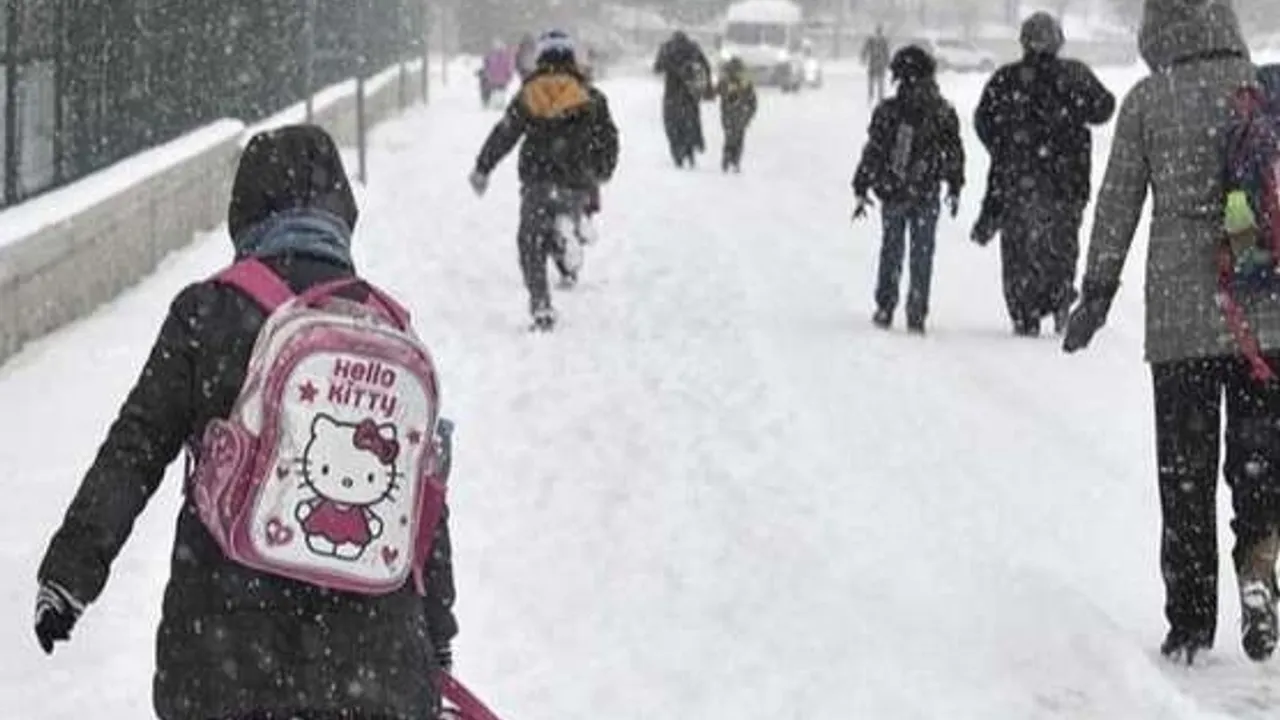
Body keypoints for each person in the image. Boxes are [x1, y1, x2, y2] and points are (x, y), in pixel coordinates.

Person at [32, 125, 460, 718]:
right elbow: (423, 500)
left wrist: (70, 573)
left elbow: (135, 448)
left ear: (245, 211)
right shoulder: (386, 329)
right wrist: (436, 631)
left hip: (225, 650)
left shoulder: (208, 312)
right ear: (342, 213)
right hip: (373, 660)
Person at [1063, 0, 1280, 665]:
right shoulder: (1262, 88)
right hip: (1263, 314)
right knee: (1260, 460)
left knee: (1186, 475)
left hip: (1182, 321)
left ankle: (1189, 625)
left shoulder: (1150, 100)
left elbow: (1118, 202)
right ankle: (1259, 562)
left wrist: (1097, 291)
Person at [973, 12, 1115, 337]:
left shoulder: (1006, 79)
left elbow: (984, 121)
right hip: (1067, 180)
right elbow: (1104, 108)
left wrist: (1005, 146)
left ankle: (1024, 311)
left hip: (1017, 179)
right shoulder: (1074, 75)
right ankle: (1059, 295)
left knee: (1018, 249)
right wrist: (1072, 111)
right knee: (1061, 244)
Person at [469, 30, 620, 332]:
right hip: (576, 181)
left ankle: (541, 304)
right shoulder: (591, 97)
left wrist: (483, 168)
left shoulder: (530, 93)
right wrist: (601, 171)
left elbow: (505, 133)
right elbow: (608, 139)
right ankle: (570, 235)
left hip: (538, 180)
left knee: (531, 241)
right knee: (563, 218)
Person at [852, 45, 964, 335]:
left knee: (892, 248)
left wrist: (862, 184)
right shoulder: (942, 111)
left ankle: (885, 305)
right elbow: (954, 152)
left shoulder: (889, 111)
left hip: (894, 190)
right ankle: (916, 310)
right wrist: (954, 184)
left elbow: (874, 150)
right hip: (926, 191)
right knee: (922, 253)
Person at [654, 31, 713, 168]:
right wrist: (706, 85)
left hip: (672, 92)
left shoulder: (667, 48)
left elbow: (657, 68)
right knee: (690, 121)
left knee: (672, 124)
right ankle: (690, 149)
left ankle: (678, 153)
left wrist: (670, 66)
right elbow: (706, 67)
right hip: (689, 92)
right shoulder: (693, 48)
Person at [716, 56, 758, 173]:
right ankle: (734, 160)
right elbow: (752, 100)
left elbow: (719, 92)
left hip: (730, 114)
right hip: (740, 114)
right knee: (737, 137)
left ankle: (729, 158)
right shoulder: (744, 82)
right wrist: (749, 114)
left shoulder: (727, 80)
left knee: (730, 137)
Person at [478, 38, 516, 108]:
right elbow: (510, 66)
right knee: (499, 91)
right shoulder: (506, 55)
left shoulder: (492, 55)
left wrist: (487, 74)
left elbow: (486, 65)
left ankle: (497, 103)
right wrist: (509, 74)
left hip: (495, 78)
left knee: (497, 91)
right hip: (500, 78)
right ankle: (499, 103)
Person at [861, 26, 891, 104]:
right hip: (873, 63)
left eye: (879, 32)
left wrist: (887, 62)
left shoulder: (883, 41)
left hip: (880, 64)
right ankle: (871, 96)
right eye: (877, 32)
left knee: (880, 81)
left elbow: (886, 52)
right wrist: (863, 57)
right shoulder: (871, 40)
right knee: (872, 81)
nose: (878, 34)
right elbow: (865, 49)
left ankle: (880, 97)